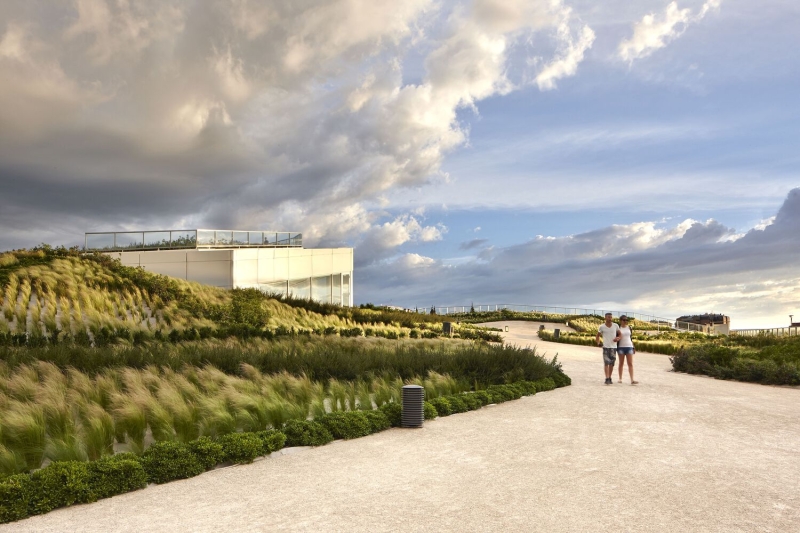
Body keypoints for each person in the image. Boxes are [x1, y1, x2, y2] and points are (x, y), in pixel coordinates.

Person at [595, 313, 621, 385]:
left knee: (612, 363)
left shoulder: (616, 325)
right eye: (609, 317)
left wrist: (618, 338)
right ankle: (607, 378)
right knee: (606, 362)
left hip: (613, 347)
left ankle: (609, 377)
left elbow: (620, 334)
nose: (610, 318)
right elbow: (597, 336)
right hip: (606, 347)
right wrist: (598, 343)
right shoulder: (602, 327)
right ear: (605, 318)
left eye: (611, 317)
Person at [617, 315, 638, 384]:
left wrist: (633, 347)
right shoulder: (618, 329)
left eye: (626, 320)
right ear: (620, 321)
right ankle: (620, 378)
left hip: (629, 346)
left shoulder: (629, 328)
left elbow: (630, 338)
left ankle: (632, 379)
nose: (625, 321)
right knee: (621, 363)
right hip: (621, 347)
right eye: (624, 320)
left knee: (630, 363)